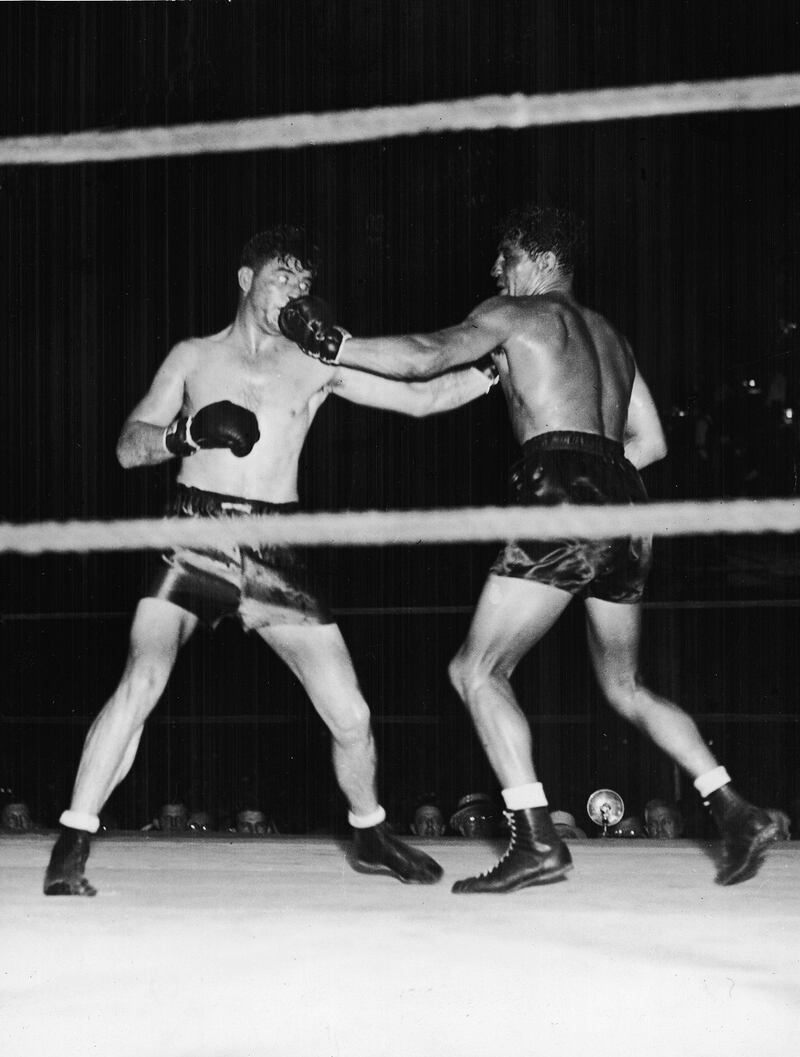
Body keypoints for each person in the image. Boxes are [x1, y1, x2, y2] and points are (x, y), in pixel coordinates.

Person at [280, 203, 779, 891]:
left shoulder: (518, 315)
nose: (495, 270)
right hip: (625, 500)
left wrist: (336, 345)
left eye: (505, 258)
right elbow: (653, 444)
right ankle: (734, 808)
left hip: (563, 489)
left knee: (476, 671)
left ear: (540, 261)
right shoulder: (612, 338)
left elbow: (427, 356)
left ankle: (536, 838)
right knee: (626, 685)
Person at [44, 225, 498, 896]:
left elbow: (421, 396)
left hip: (278, 546)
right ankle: (72, 841)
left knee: (351, 713)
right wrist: (188, 432)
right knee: (142, 677)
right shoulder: (193, 357)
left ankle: (369, 832)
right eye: (283, 276)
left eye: (304, 283)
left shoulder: (315, 361)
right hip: (193, 533)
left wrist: (495, 368)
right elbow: (127, 447)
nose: (296, 290)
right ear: (245, 280)